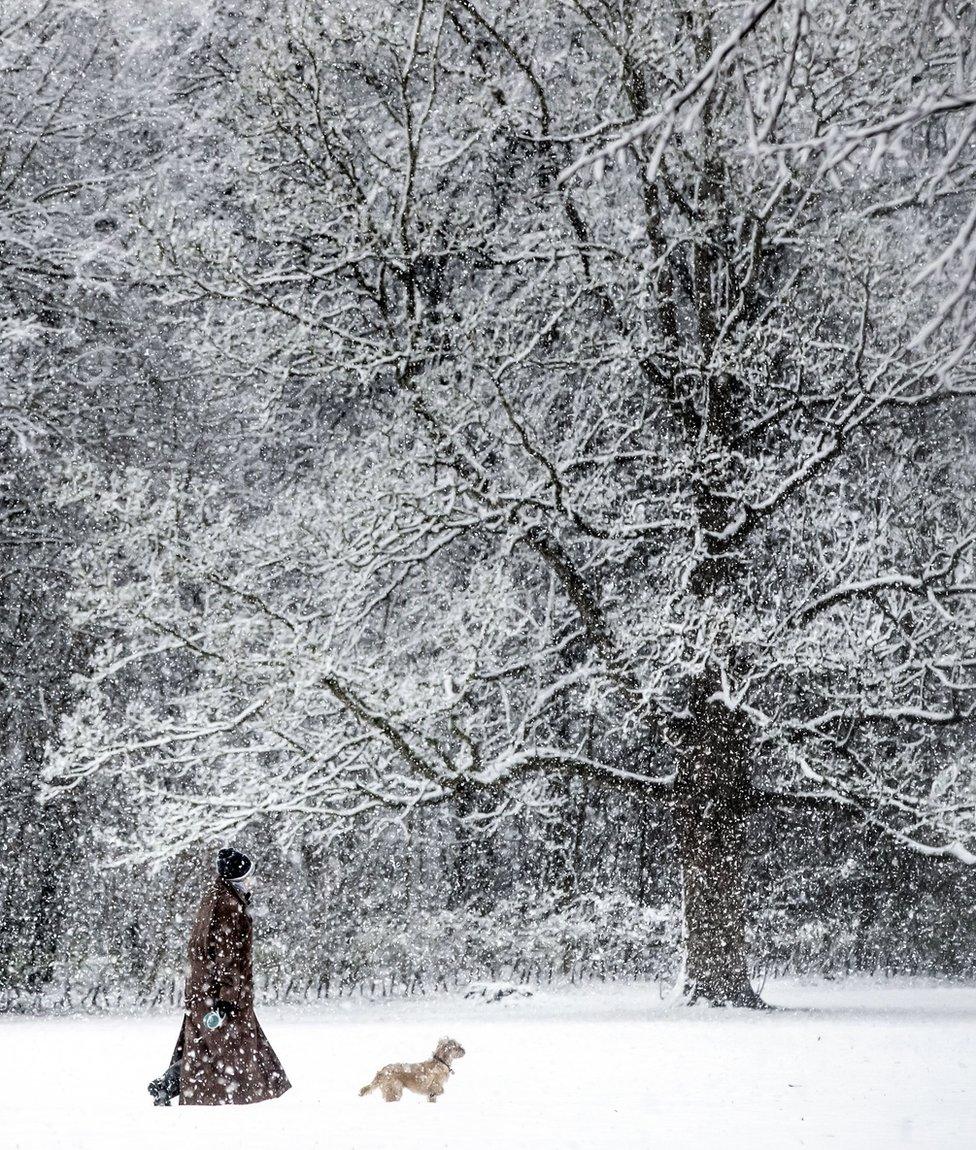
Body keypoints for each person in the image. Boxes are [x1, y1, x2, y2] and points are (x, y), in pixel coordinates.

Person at [148, 847, 291, 1106]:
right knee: (225, 1052)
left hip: (206, 991)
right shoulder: (228, 906)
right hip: (220, 994)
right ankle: (169, 1085)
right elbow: (227, 958)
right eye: (248, 876)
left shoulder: (217, 897)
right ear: (237, 878)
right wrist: (226, 997)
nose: (252, 882)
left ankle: (167, 1086)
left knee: (206, 1049)